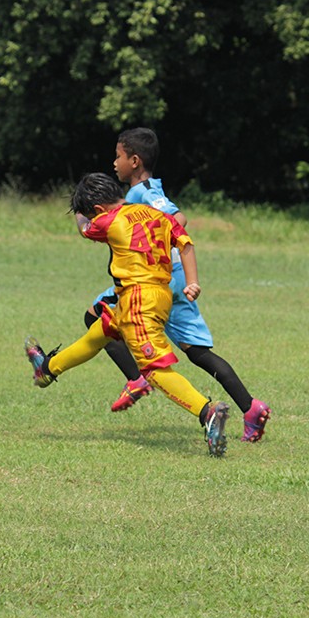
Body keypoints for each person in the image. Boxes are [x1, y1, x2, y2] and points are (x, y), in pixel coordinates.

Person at [24, 172, 232, 457]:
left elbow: (85, 228)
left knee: (154, 370)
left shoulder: (107, 220)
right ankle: (47, 369)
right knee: (98, 334)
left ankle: (206, 412)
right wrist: (193, 281)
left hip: (137, 299)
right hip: (160, 295)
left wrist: (81, 211)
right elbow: (185, 242)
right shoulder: (155, 214)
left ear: (98, 209)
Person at [90, 128, 270, 443]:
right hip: (173, 277)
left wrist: (152, 246)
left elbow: (178, 218)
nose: (114, 162)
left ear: (134, 160)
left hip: (158, 279)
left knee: (97, 316)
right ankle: (251, 407)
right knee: (197, 352)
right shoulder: (141, 191)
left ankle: (136, 379)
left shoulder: (142, 192)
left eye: (118, 156)